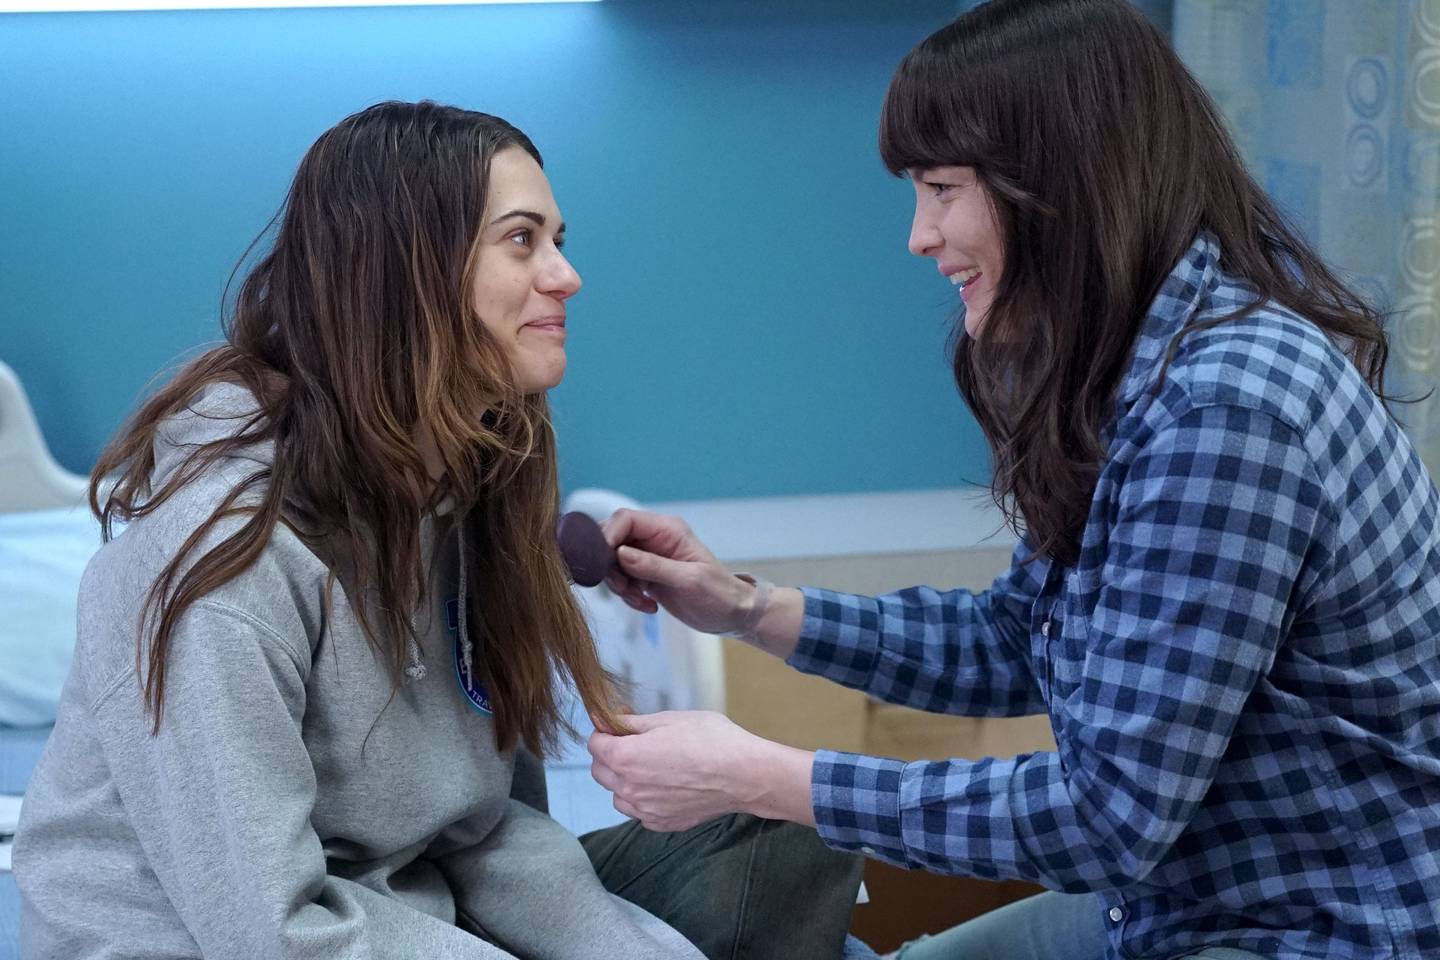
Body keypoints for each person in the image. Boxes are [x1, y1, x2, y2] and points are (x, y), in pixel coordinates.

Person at [585, 2, 1440, 959]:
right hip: (1181, 892)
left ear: (1062, 183)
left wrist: (757, 778)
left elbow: (1107, 817)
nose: (919, 235)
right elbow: (1014, 639)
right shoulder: (1143, 372)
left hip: (1312, 925)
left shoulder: (1222, 410)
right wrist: (747, 608)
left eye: (942, 188)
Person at [12, 100, 861, 960]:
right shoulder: (222, 567)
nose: (567, 276)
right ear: (403, 272)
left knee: (796, 824)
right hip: (222, 945)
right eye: (522, 239)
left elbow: (487, 831)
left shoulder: (464, 497)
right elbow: (276, 935)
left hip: (416, 917)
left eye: (559, 240)